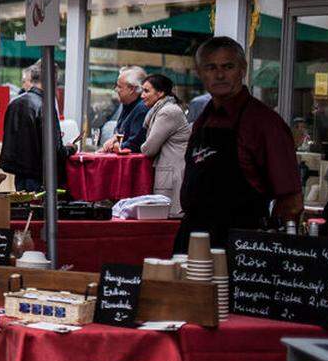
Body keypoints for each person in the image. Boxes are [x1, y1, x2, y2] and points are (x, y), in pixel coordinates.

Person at [175, 37, 302, 250]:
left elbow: (291, 202)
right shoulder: (203, 120)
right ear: (199, 72)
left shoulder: (264, 123)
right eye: (211, 67)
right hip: (193, 239)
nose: (220, 75)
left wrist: (267, 249)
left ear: (242, 69)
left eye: (228, 66)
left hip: (240, 246)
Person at [119, 74, 189, 216]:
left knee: (169, 221)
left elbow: (149, 148)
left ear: (160, 93)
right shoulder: (160, 110)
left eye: (147, 91)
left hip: (173, 175)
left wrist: (140, 145)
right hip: (169, 173)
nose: (142, 95)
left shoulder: (167, 112)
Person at [0, 62, 67, 192]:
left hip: (20, 173)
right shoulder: (45, 106)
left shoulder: (15, 102)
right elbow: (55, 150)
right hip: (39, 175)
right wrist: (70, 149)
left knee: (24, 209)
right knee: (37, 210)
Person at [98, 66, 150, 153]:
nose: (116, 90)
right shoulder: (127, 103)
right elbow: (120, 130)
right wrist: (113, 139)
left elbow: (134, 144)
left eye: (119, 87)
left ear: (132, 89)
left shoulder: (142, 109)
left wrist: (114, 146)